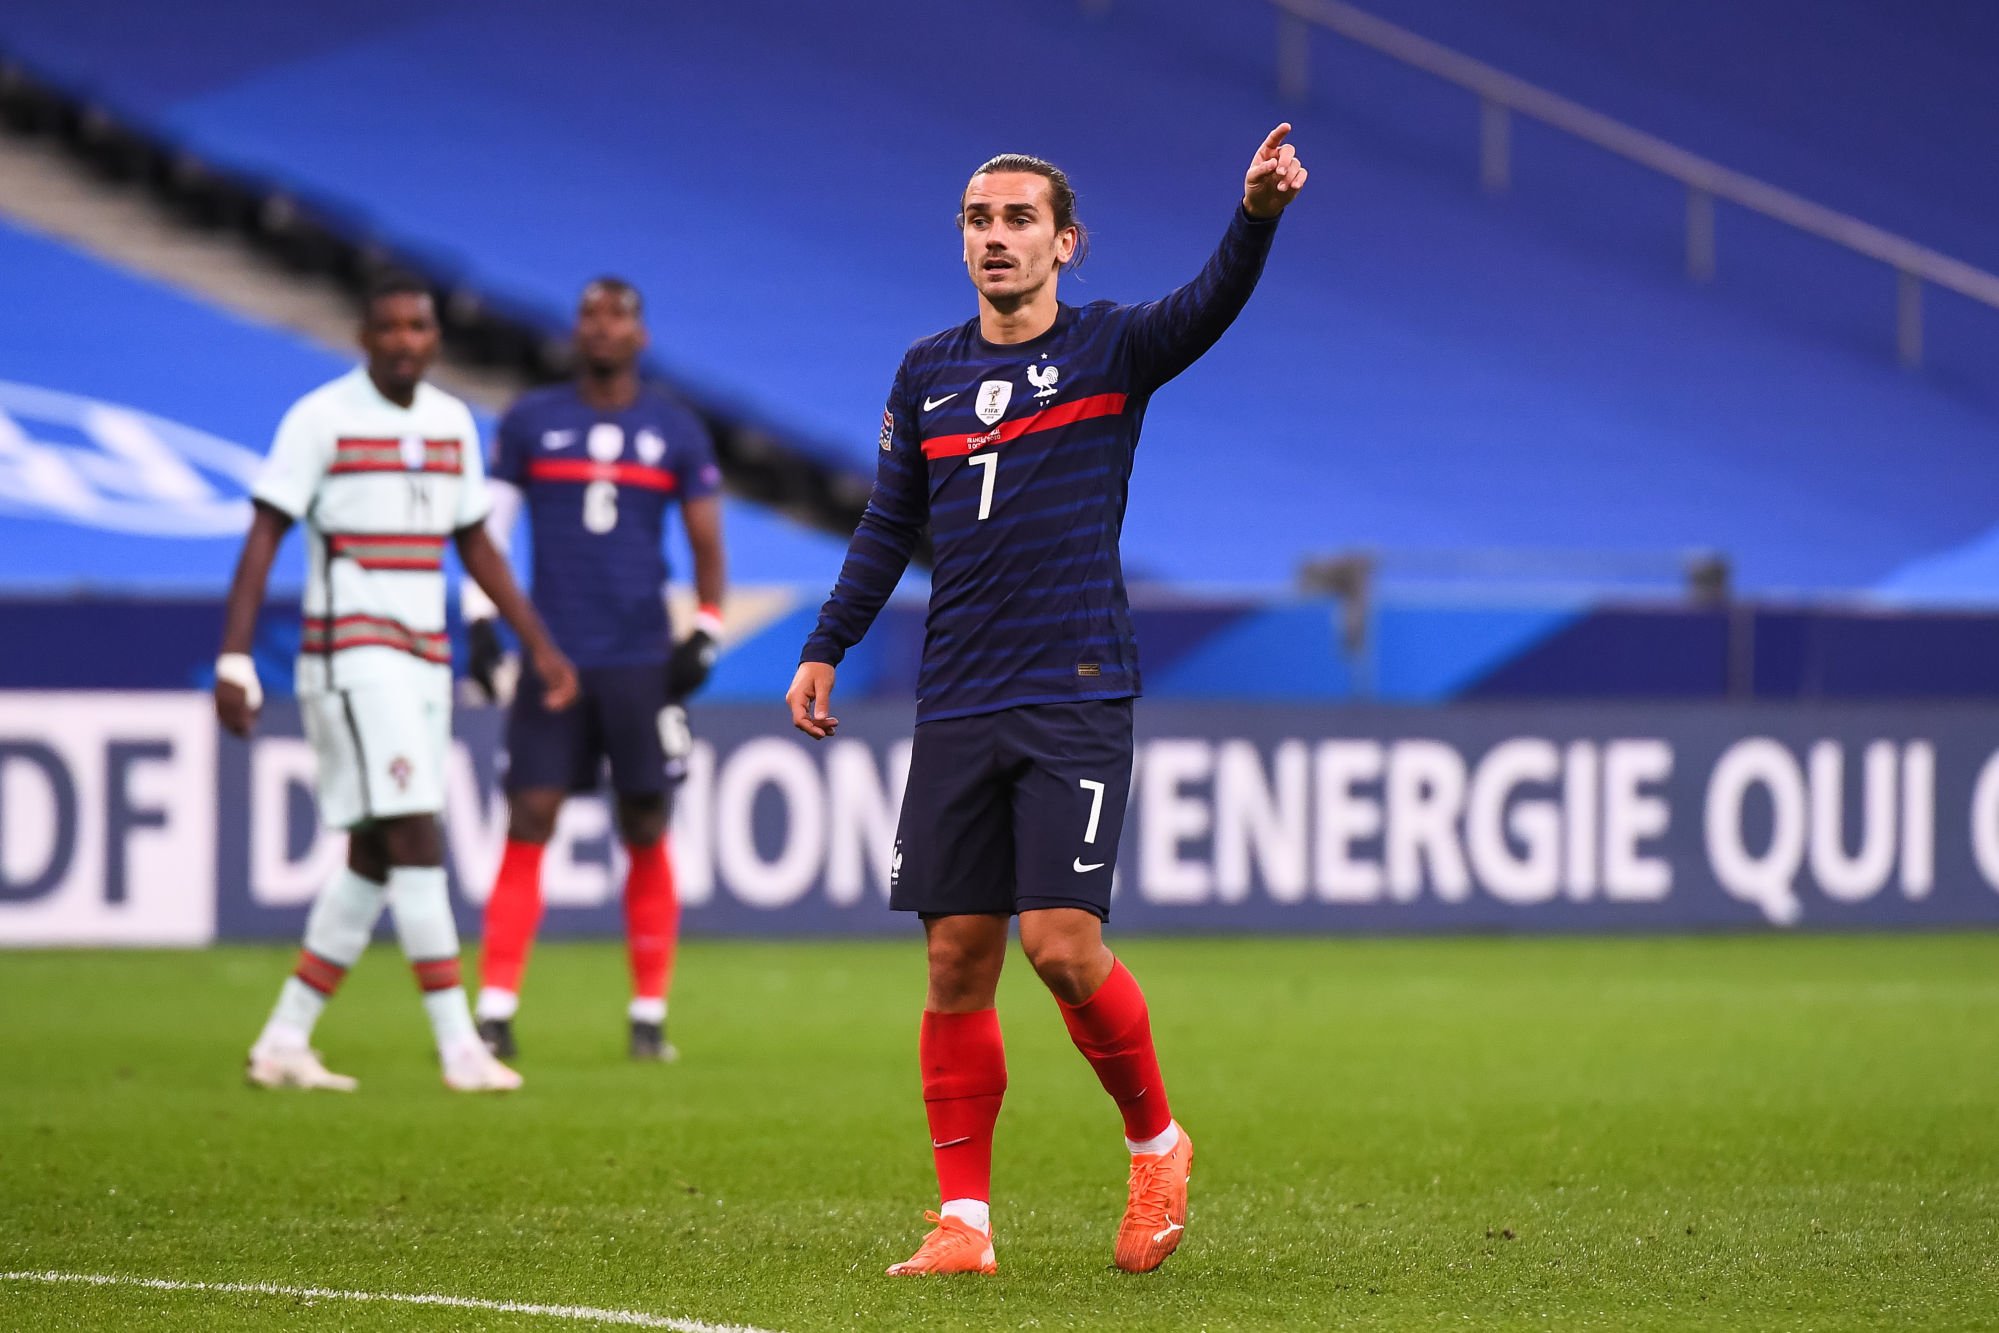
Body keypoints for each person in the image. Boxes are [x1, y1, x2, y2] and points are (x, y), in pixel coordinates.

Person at [785, 125, 1308, 1274]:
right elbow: (888, 523)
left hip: (1073, 686)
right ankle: (962, 1222)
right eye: (979, 220)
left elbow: (1208, 305)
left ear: (1064, 242)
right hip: (957, 693)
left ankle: (1157, 1144)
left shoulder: (1111, 348)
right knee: (954, 958)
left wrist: (1256, 217)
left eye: (1019, 219)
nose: (996, 237)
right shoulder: (926, 371)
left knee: (1061, 945)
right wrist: (828, 643)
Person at [218, 270, 577, 1094]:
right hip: (352, 656)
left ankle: (283, 1040)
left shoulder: (451, 422)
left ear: (435, 337)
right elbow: (265, 531)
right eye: (391, 328)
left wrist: (539, 645)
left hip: (424, 657)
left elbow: (475, 542)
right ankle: (459, 1047)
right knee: (416, 832)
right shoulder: (321, 419)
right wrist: (235, 656)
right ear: (364, 337)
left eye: (419, 327)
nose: (406, 341)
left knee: (374, 857)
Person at [465, 277, 727, 1063]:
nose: (602, 327)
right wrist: (479, 619)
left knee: (644, 820)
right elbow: (488, 530)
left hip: (641, 655)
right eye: (589, 315)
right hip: (555, 656)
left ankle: (648, 1015)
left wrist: (706, 628)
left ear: (641, 335)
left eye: (617, 316)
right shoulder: (530, 420)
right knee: (530, 814)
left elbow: (707, 540)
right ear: (574, 331)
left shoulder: (674, 426)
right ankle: (495, 1011)